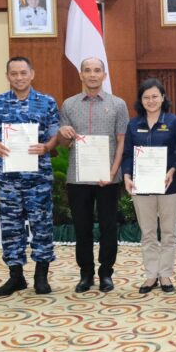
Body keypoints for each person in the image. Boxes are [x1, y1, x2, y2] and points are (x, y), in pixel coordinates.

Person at [0, 57, 60, 297]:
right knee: (11, 227)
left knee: (42, 225)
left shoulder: (47, 102)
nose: (19, 77)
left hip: (38, 178)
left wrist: (47, 147)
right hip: (9, 179)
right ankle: (16, 276)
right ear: (7, 76)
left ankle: (41, 276)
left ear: (32, 74)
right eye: (14, 73)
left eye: (23, 73)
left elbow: (55, 135)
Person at [57, 57, 129, 293]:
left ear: (104, 75)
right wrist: (63, 133)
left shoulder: (118, 104)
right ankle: (85, 274)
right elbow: (63, 143)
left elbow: (121, 142)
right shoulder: (69, 105)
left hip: (107, 178)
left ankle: (106, 273)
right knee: (82, 227)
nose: (92, 75)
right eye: (87, 70)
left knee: (108, 227)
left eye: (97, 70)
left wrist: (112, 172)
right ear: (81, 75)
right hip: (78, 177)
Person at [122, 78, 176, 294]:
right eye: (146, 97)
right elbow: (127, 154)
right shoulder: (133, 124)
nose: (151, 101)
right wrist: (127, 175)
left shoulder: (175, 122)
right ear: (140, 100)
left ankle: (165, 274)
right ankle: (151, 275)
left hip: (170, 186)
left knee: (168, 231)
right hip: (141, 186)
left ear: (163, 98)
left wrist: (173, 170)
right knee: (147, 232)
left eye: (155, 96)